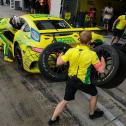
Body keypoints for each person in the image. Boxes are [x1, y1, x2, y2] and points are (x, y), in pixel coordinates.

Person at [48, 30, 106, 125]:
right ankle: (92, 114)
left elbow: (58, 63)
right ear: (89, 41)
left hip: (71, 80)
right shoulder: (92, 54)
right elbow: (101, 70)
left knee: (65, 100)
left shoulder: (71, 51)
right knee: (94, 93)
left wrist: (60, 55)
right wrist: (103, 59)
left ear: (79, 39)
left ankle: (52, 119)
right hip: (83, 82)